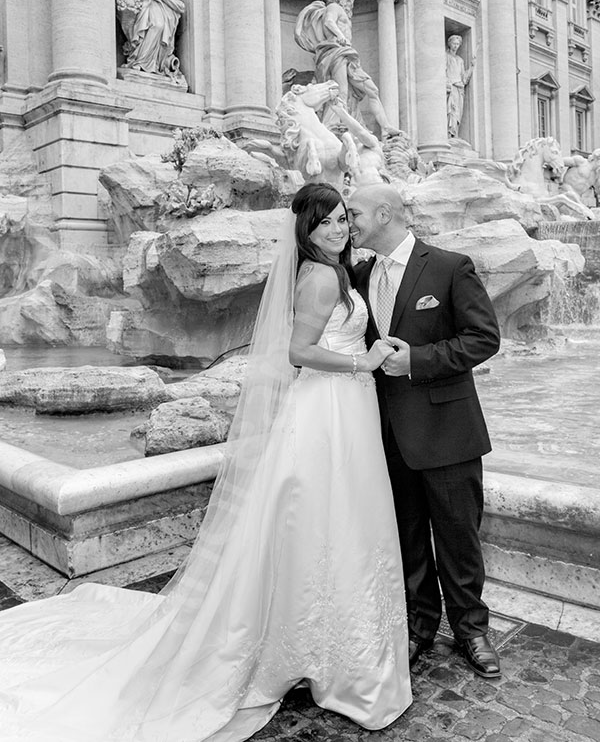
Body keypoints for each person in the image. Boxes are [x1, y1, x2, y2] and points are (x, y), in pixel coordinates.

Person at [0, 183, 411, 741]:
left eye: (343, 218)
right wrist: (361, 362)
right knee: (326, 514)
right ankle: (319, 645)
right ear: (306, 232)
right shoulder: (318, 277)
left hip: (340, 406)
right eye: (327, 223)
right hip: (330, 404)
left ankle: (316, 635)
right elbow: (298, 350)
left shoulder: (336, 270)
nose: (339, 228)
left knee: (329, 517)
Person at [348, 183, 502, 680]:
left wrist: (417, 361)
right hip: (387, 435)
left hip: (448, 431)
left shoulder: (450, 267)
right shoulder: (358, 273)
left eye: (354, 213)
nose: (347, 221)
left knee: (458, 538)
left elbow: (483, 338)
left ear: (385, 213)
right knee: (408, 537)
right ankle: (419, 625)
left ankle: (471, 630)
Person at [294, 0, 400, 137]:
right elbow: (329, 21)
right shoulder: (334, 7)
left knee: (373, 90)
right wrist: (341, 36)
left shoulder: (346, 14)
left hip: (348, 54)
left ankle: (385, 127)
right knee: (340, 91)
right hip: (336, 51)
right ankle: (331, 126)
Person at [446, 34, 474, 138]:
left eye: (458, 44)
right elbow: (442, 72)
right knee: (451, 110)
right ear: (449, 44)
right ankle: (449, 133)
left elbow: (464, 78)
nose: (456, 46)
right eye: (454, 43)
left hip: (459, 89)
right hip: (451, 87)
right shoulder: (445, 56)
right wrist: (448, 83)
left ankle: (455, 133)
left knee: (457, 112)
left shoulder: (460, 60)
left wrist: (471, 66)